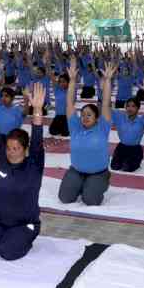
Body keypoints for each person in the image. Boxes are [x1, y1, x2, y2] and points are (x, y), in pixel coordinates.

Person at [0, 79, 46, 261]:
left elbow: (37, 138)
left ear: (25, 150)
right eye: (9, 148)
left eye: (16, 149)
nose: (11, 153)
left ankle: (26, 236)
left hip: (24, 223)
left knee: (8, 252)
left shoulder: (34, 164)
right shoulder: (2, 160)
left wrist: (36, 110)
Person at [58, 58, 116, 206]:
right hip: (77, 171)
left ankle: (101, 180)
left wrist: (108, 80)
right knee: (65, 198)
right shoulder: (75, 127)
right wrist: (72, 80)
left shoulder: (102, 127)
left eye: (89, 115)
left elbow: (106, 103)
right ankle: (81, 183)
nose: (85, 117)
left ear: (97, 118)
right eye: (83, 115)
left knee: (90, 200)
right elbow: (70, 103)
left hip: (98, 172)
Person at [110, 81, 144, 173]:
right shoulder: (119, 116)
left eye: (133, 106)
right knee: (114, 167)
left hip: (135, 149)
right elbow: (107, 107)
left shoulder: (142, 120)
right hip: (121, 147)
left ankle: (134, 161)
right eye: (128, 106)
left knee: (127, 168)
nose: (130, 108)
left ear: (138, 108)